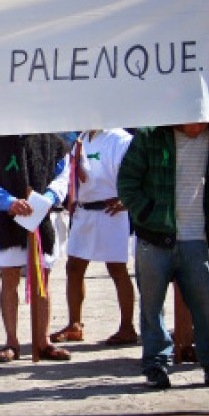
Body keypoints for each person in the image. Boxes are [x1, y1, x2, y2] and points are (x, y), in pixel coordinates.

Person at [117, 122, 209, 388]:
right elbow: (127, 183)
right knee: (152, 308)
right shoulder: (149, 136)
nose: (197, 126)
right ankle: (156, 366)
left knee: (207, 306)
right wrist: (147, 216)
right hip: (154, 238)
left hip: (197, 240)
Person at [0, 134, 71, 363]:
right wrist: (8, 202)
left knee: (42, 277)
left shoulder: (51, 141)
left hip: (41, 215)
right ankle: (11, 341)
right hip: (7, 218)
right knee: (9, 277)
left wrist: (47, 198)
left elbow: (62, 175)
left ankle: (43, 341)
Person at [51, 129, 137, 346]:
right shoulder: (81, 138)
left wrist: (127, 199)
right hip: (84, 210)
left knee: (117, 269)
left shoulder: (119, 138)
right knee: (74, 267)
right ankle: (74, 324)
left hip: (112, 210)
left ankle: (127, 327)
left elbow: (134, 172)